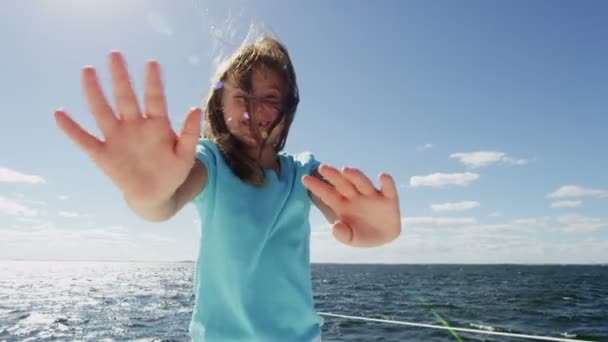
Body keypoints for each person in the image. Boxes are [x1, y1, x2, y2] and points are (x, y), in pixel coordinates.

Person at [54, 36, 402, 342]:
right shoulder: (211, 163)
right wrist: (149, 196)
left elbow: (338, 206)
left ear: (288, 109)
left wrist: (378, 230)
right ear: (219, 105)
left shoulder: (302, 172)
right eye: (243, 96)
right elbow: (166, 202)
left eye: (271, 96)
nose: (257, 108)